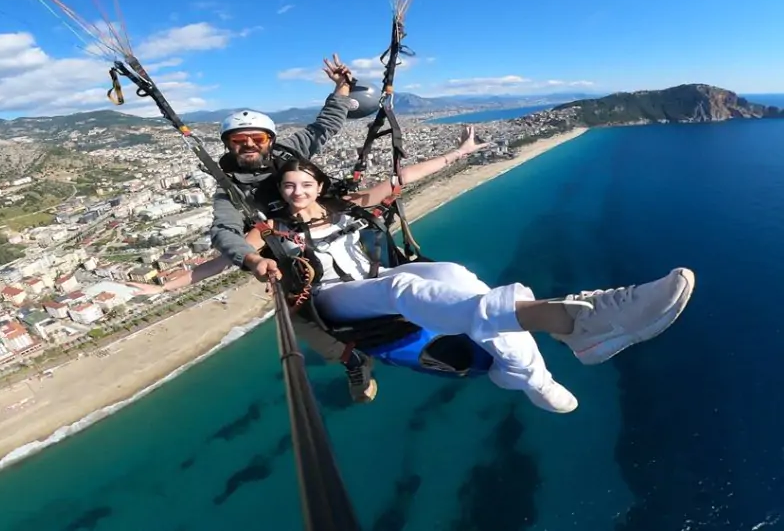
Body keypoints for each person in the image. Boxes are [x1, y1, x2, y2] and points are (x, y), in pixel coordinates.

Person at [147, 130, 696, 413]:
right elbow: (220, 258)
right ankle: (579, 319)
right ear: (280, 195)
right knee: (409, 285)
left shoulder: (347, 208)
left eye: (305, 184)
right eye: (287, 187)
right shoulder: (267, 229)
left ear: (317, 185)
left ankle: (532, 375)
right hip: (334, 303)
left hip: (374, 286)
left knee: (456, 275)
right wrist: (165, 282)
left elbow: (405, 176)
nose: (296, 191)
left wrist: (459, 154)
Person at [206, 55, 383, 403]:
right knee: (296, 312)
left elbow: (325, 125)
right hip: (289, 249)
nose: (249, 147)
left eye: (256, 138)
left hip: (324, 221)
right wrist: (253, 261)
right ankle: (351, 359)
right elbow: (223, 231)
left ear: (269, 139)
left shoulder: (290, 150)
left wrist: (342, 88)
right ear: (228, 146)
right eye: (239, 142)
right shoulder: (230, 187)